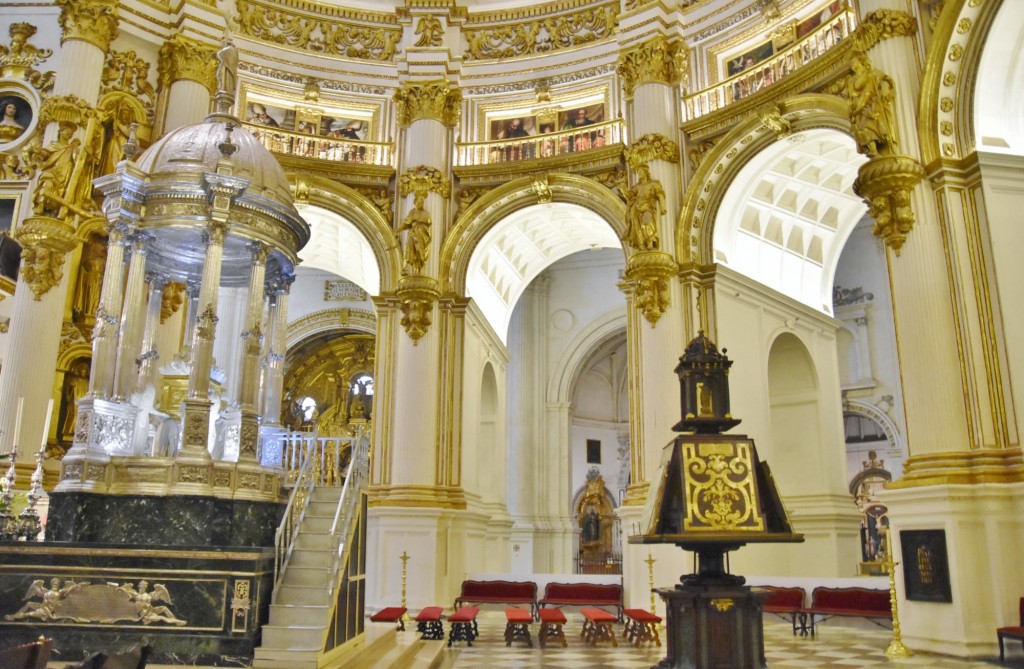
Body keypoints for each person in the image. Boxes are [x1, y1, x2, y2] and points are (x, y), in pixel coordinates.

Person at [31, 121, 80, 216]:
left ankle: (53, 212)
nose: (69, 135)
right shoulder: (53, 145)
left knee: (61, 194)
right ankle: (40, 208)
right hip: (52, 171)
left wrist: (76, 148)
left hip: (66, 173)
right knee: (46, 185)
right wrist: (39, 152)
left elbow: (77, 161)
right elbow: (45, 154)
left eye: (70, 134)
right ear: (60, 132)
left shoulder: (71, 147)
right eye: (67, 132)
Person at [623, 163, 667, 251]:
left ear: (646, 172)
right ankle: (641, 244)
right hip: (637, 208)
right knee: (637, 226)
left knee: (647, 222)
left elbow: (660, 194)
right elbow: (629, 195)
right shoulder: (637, 187)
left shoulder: (653, 184)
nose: (639, 174)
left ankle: (650, 241)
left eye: (641, 172)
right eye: (638, 172)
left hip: (648, 207)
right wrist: (622, 187)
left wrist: (663, 207)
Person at [399, 190, 431, 274]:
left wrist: (417, 220)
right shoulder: (411, 212)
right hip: (412, 234)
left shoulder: (426, 213)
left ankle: (419, 270)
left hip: (421, 235)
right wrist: (397, 231)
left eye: (423, 202)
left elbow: (428, 221)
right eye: (420, 202)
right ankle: (406, 267)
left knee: (420, 253)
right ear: (415, 202)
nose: (422, 204)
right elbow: (407, 224)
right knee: (408, 248)